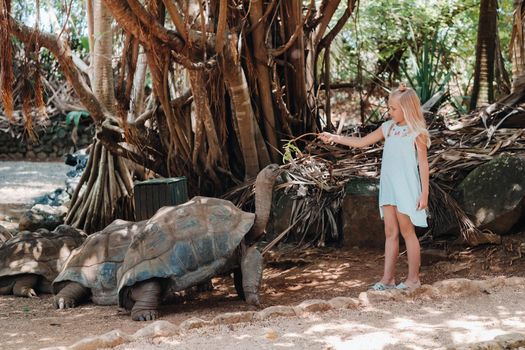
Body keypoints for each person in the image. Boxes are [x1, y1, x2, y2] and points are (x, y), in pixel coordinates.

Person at [318, 83, 430, 290]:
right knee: (390, 232)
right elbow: (362, 142)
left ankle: (413, 279)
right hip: (388, 188)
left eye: (393, 109)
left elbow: (423, 164)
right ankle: (388, 279)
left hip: (406, 188)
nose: (390, 112)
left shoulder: (416, 132)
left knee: (407, 231)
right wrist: (335, 138)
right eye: (389, 108)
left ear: (406, 109)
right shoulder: (388, 128)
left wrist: (425, 193)